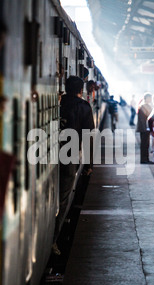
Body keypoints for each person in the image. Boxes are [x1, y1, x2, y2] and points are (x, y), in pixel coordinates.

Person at [57, 76, 95, 242]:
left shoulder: (59, 102)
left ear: (65, 88)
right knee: (63, 198)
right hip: (70, 155)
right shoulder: (84, 107)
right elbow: (88, 138)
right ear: (81, 90)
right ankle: (55, 238)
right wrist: (88, 164)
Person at [136, 93, 153, 164]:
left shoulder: (145, 106)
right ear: (146, 98)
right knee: (144, 144)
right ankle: (144, 159)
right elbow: (143, 119)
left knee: (146, 144)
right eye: (149, 98)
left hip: (145, 128)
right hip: (144, 129)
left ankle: (146, 159)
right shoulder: (143, 106)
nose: (151, 99)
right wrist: (146, 128)